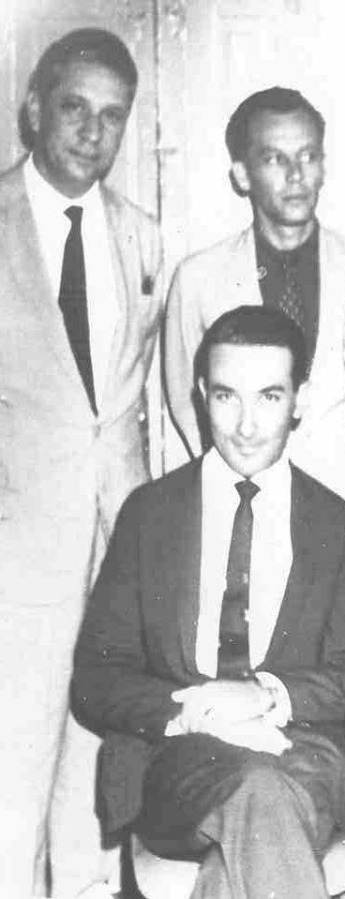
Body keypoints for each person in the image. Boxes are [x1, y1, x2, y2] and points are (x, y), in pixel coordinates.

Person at [72, 306, 345, 899]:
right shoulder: (150, 514)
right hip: (180, 759)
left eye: (268, 397)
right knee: (261, 794)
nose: (245, 426)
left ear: (300, 399)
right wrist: (195, 712)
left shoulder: (334, 524)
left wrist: (264, 696)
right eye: (226, 397)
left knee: (258, 809)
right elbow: (96, 676)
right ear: (200, 393)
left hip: (299, 752)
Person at [0, 28, 162, 897]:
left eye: (113, 115)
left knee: (93, 772)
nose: (93, 132)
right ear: (33, 110)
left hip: (115, 548)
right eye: (74, 108)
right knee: (10, 773)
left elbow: (129, 407)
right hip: (15, 554)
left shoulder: (142, 236)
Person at [165, 87, 345, 519]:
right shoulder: (199, 278)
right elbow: (188, 402)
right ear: (242, 175)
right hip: (243, 509)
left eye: (308, 156)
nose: (296, 175)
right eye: (275, 159)